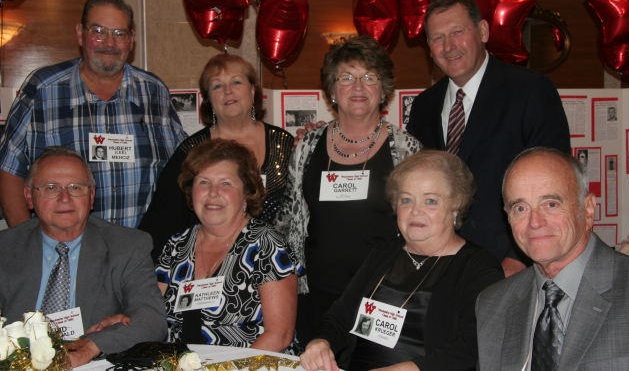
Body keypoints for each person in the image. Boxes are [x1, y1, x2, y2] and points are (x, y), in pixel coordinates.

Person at [406, 0, 571, 277]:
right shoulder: (424, 106)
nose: (449, 46)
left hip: (507, 264)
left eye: (458, 32)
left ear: (482, 31)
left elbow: (555, 180)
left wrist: (517, 258)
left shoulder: (530, 91)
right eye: (437, 38)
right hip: (436, 264)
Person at [275, 35, 422, 345]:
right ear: (332, 89)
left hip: (384, 294)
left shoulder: (407, 150)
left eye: (369, 77)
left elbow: (422, 226)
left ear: (383, 91)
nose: (358, 87)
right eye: (347, 77)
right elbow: (290, 222)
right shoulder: (306, 147)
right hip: (317, 294)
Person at [300, 150, 503, 371]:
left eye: (431, 201)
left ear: (456, 205)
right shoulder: (382, 255)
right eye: (407, 200)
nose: (416, 211)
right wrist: (320, 342)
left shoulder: (479, 268)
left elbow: (471, 349)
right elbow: (339, 318)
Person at [0, 0, 186, 229]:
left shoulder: (154, 92)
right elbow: (8, 170)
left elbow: (181, 168)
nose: (109, 43)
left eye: (120, 34)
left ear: (131, 39)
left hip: (141, 253)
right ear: (80, 33)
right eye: (98, 31)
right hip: (65, 251)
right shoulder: (43, 89)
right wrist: (25, 245)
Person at [0, 146, 167, 368]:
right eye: (51, 188)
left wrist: (90, 345)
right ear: (29, 197)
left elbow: (152, 319)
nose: (65, 198)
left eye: (76, 187)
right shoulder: (5, 248)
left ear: (91, 196)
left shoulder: (127, 246)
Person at [476, 147, 629, 370]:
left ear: (588, 208)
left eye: (551, 204)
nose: (535, 222)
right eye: (521, 208)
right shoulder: (493, 305)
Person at [140, 54, 294, 261]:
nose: (228, 91)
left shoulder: (285, 143)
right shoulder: (192, 151)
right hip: (210, 270)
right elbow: (164, 220)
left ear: (252, 90)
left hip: (277, 263)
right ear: (209, 99)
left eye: (236, 82)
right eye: (217, 86)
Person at [156, 138, 301, 353]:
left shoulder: (266, 245)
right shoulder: (176, 245)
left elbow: (279, 336)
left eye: (225, 183)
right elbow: (150, 313)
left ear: (246, 195)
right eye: (203, 182)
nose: (213, 192)